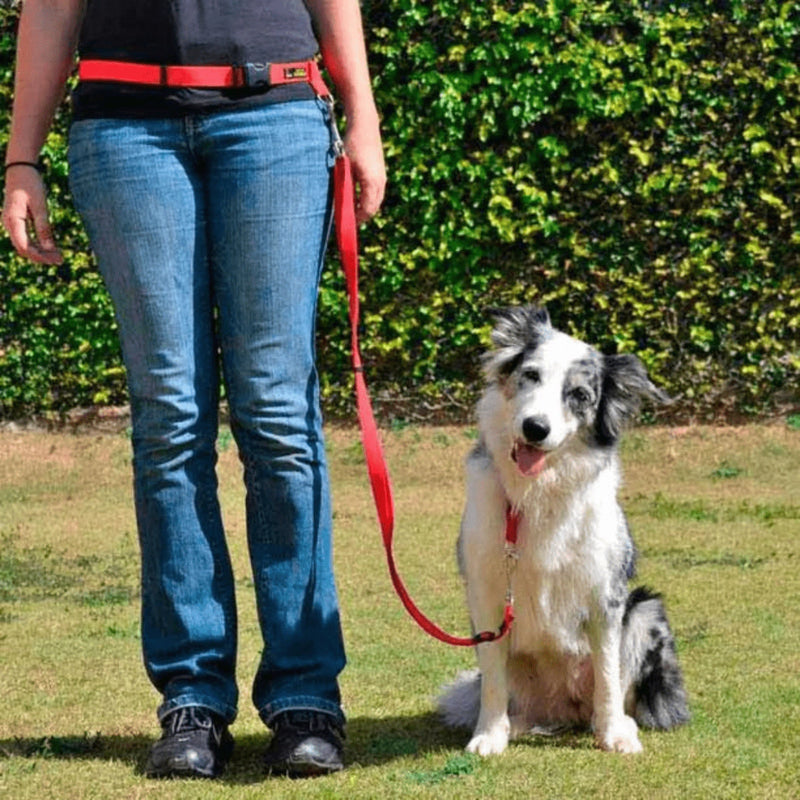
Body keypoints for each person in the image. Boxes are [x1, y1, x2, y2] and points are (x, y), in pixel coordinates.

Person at [2, 0, 386, 780]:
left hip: (275, 117)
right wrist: (21, 159)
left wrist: (363, 116)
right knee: (170, 417)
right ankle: (192, 699)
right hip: (124, 128)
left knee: (277, 414)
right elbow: (51, 5)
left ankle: (306, 696)